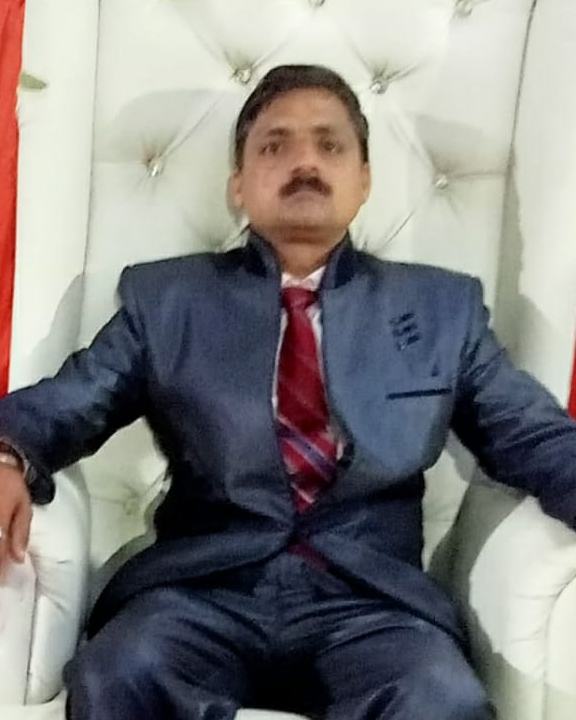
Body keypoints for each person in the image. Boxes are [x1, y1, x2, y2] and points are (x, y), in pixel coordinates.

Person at [1, 64, 575, 720]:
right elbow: (74, 400)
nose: (305, 162)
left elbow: (530, 434)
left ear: (364, 179)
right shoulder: (167, 300)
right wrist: (8, 453)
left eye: (330, 145)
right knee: (118, 672)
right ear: (239, 184)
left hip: (373, 606)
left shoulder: (442, 309)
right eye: (275, 146)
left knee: (441, 700)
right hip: (201, 593)